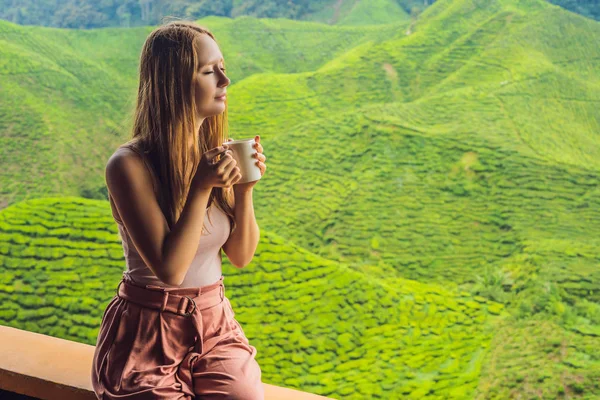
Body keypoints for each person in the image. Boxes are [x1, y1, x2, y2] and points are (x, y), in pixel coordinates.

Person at [91, 19, 267, 399]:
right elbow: (170, 270)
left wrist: (245, 190)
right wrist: (201, 187)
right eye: (209, 71)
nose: (225, 81)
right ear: (174, 83)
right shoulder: (128, 165)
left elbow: (240, 256)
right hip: (148, 327)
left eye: (223, 68)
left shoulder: (211, 155)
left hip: (213, 321)